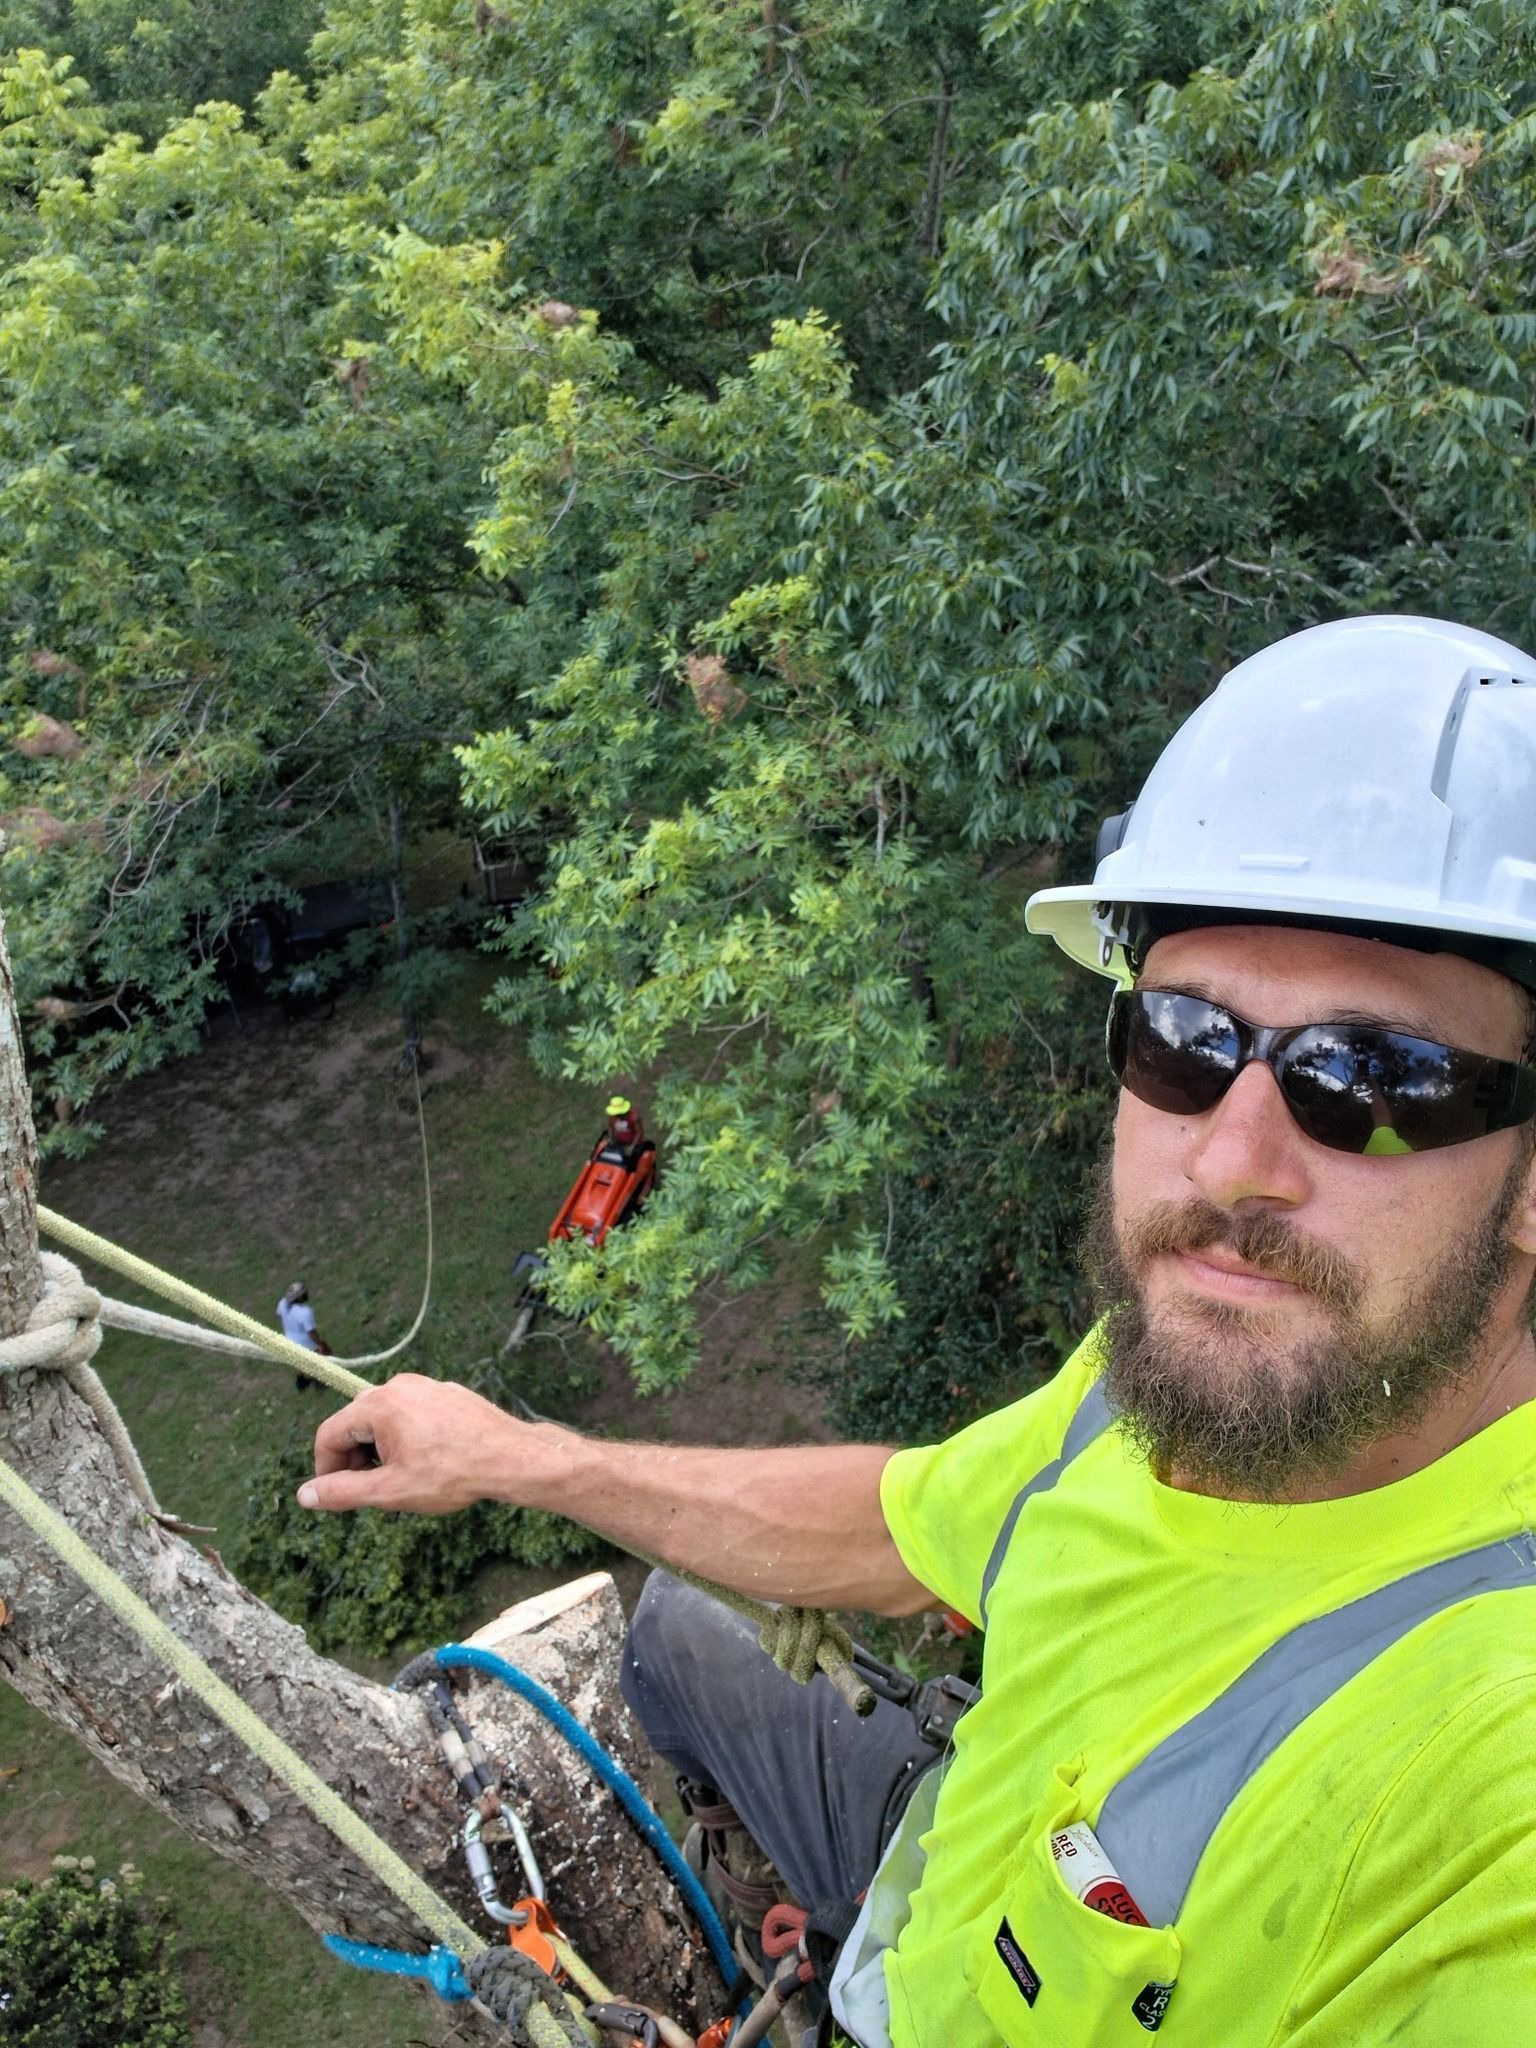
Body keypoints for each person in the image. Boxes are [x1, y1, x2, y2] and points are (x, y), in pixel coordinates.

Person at [297, 615, 1536, 2043]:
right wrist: (520, 1459)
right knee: (681, 1633)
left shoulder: (1477, 1792)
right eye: (1184, 1041)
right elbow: (897, 1525)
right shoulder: (1153, 1395)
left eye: (1369, 1077)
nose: (1227, 1159)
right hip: (939, 1912)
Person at [276, 1281, 331, 1390]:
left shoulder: (282, 1303)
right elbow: (311, 1332)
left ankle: (301, 1382)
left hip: (289, 1339)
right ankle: (319, 1383)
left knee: (298, 1362)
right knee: (318, 1361)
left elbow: (278, 1315)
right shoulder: (305, 1312)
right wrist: (319, 1343)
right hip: (306, 1342)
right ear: (299, 1297)